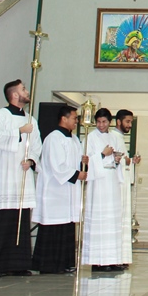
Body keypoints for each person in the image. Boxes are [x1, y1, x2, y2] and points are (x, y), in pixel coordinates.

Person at [0, 79, 41, 277]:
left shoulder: (31, 119)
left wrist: (31, 160)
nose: (27, 92)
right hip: (2, 177)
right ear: (14, 95)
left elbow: (36, 146)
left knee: (19, 222)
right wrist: (19, 131)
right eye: (23, 89)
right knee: (1, 222)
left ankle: (18, 264)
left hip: (20, 177)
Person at [32, 106, 86, 274]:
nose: (76, 122)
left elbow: (75, 161)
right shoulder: (53, 138)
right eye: (74, 118)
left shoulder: (75, 140)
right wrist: (77, 174)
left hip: (69, 191)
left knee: (67, 226)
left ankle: (64, 263)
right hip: (55, 190)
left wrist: (83, 162)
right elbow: (57, 165)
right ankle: (49, 264)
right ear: (64, 118)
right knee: (54, 226)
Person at [82, 108, 125, 271]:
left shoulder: (115, 137)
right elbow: (86, 160)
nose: (101, 125)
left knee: (112, 219)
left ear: (110, 122)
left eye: (104, 122)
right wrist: (102, 154)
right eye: (98, 122)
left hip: (112, 178)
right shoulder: (90, 137)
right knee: (99, 218)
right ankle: (98, 261)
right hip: (99, 181)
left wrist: (117, 159)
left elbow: (121, 158)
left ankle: (112, 259)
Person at [111, 109, 140, 268]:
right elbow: (113, 161)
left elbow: (123, 161)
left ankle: (120, 257)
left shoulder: (120, 139)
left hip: (123, 186)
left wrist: (131, 162)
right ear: (118, 122)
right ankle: (115, 257)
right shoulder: (113, 137)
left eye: (131, 122)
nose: (129, 125)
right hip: (116, 187)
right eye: (127, 122)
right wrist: (126, 161)